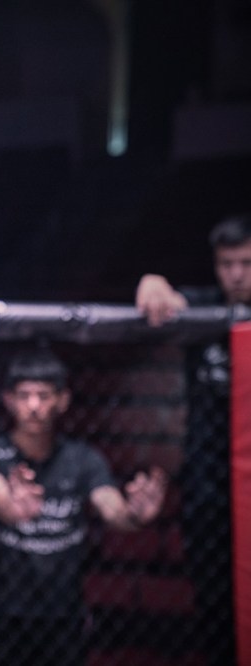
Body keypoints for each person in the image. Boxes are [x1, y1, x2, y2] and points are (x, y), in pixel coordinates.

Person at [0, 349, 167, 666]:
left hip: (63, 612)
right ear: (9, 400)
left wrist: (134, 514)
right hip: (0, 609)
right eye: (24, 396)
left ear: (62, 401)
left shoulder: (83, 459)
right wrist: (11, 503)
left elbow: (110, 506)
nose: (34, 406)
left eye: (44, 396)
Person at [135, 213, 251, 666]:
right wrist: (153, 283)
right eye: (226, 264)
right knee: (214, 605)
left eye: (246, 263)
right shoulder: (203, 307)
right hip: (209, 484)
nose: (235, 275)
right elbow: (161, 295)